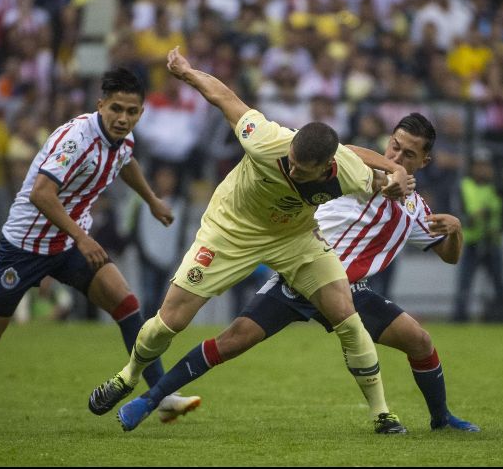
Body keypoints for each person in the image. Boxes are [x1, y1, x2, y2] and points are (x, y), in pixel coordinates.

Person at [89, 48, 413, 434]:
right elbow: (224, 97)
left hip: (294, 239)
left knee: (348, 318)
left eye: (301, 170)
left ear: (326, 167)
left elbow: (364, 169)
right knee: (169, 322)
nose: (292, 169)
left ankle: (382, 414)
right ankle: (128, 376)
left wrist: (394, 178)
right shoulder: (266, 140)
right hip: (230, 233)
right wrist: (187, 72)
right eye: (291, 161)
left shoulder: (348, 173)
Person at [117, 113, 480, 433]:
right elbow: (345, 151)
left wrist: (455, 231)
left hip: (350, 291)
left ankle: (441, 419)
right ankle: (151, 399)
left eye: (408, 154)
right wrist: (392, 170)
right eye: (395, 146)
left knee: (420, 341)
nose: (397, 157)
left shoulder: (415, 207)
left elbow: (449, 257)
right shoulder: (362, 174)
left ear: (425, 160)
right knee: (232, 340)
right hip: (304, 275)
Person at [0, 68, 200, 424]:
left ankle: (160, 395)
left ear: (141, 112)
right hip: (25, 246)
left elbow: (125, 162)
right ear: (100, 105)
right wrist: (83, 237)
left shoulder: (124, 140)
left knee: (127, 306)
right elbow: (41, 193)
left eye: (131, 111)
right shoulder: (75, 139)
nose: (123, 118)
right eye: (116, 109)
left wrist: (152, 200)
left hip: (68, 245)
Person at [452, 148, 503, 322]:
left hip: (492, 240)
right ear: (472, 168)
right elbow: (457, 215)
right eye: (479, 166)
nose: (482, 170)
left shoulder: (498, 186)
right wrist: (473, 218)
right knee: (464, 284)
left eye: (486, 166)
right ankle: (459, 318)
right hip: (471, 242)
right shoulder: (464, 186)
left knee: (499, 282)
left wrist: (500, 229)